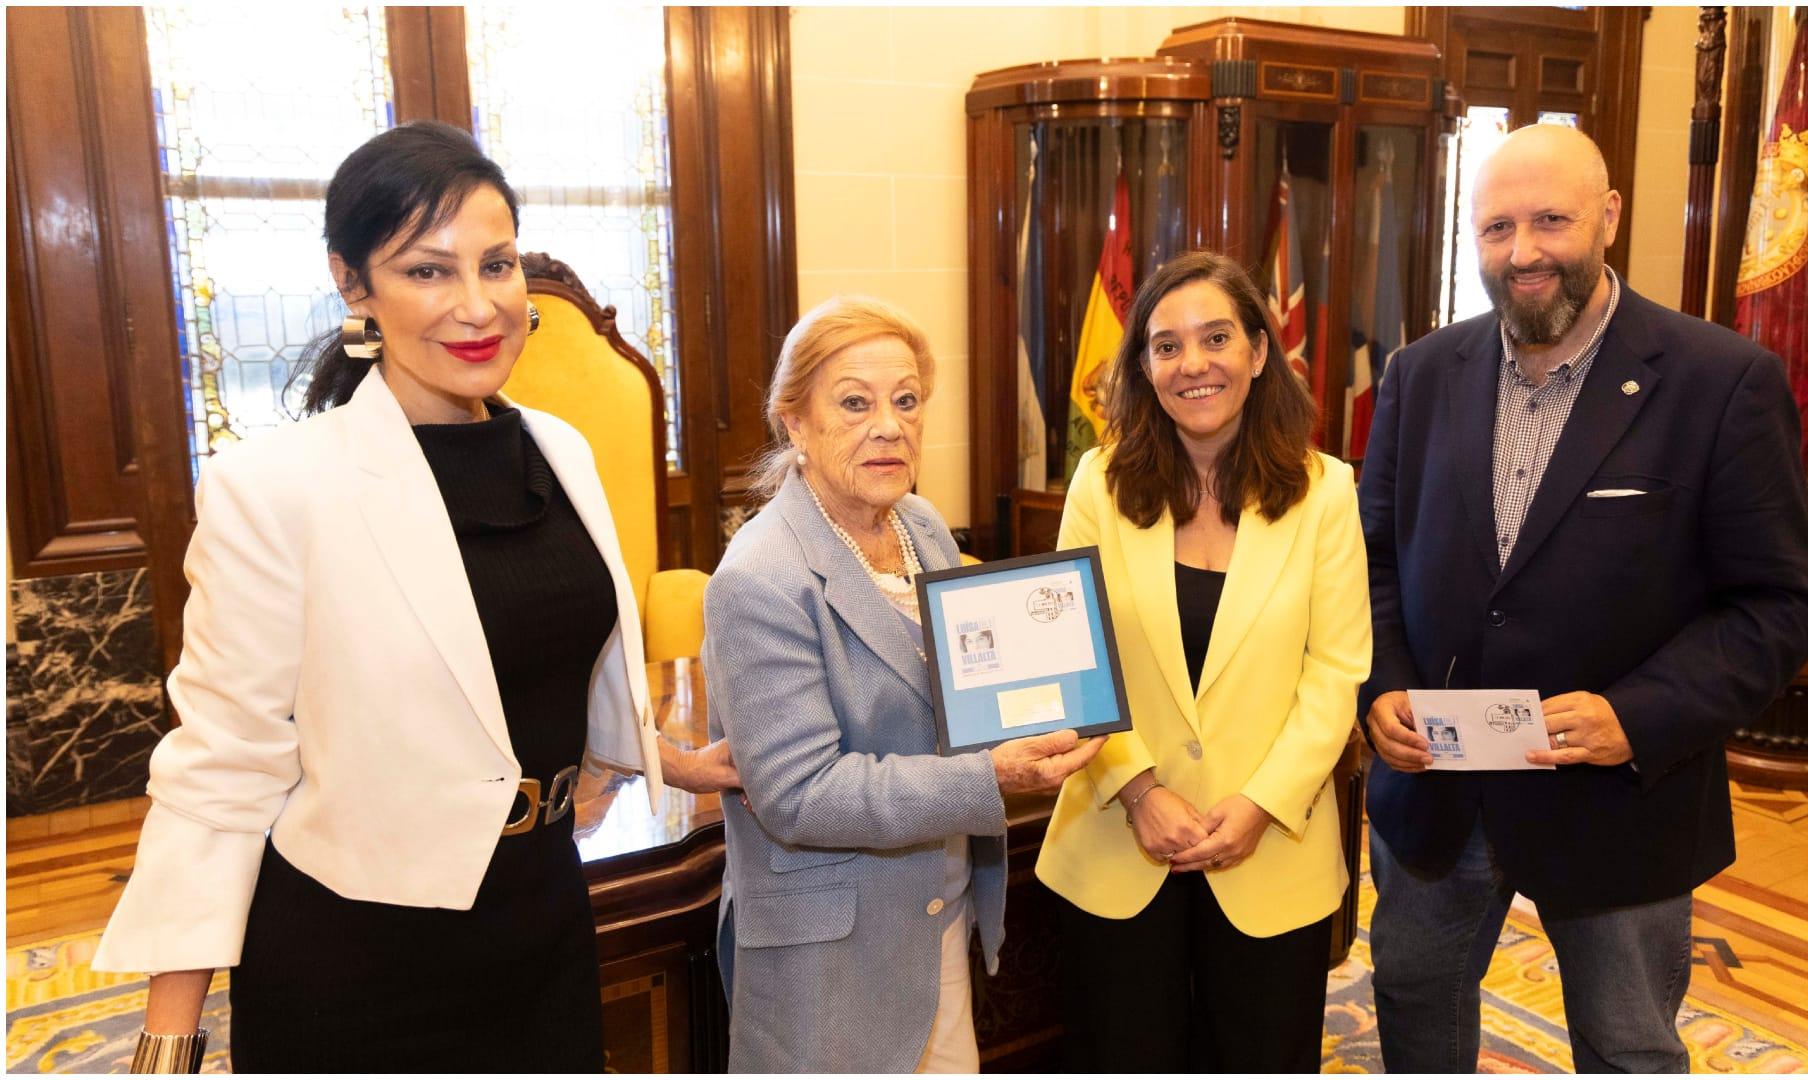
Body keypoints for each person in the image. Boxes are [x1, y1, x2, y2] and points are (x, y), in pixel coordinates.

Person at [91, 121, 737, 1073]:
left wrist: (666, 760)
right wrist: (167, 1039)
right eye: (427, 272)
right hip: (362, 953)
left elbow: (534, 664)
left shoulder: (561, 451)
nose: (478, 307)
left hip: (544, 917)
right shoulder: (278, 487)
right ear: (354, 284)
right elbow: (221, 764)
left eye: (499, 263)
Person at [1360, 123, 1808, 1072]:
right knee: (1412, 1006)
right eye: (1497, 229)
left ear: (1608, 217)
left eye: (1550, 221)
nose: (1523, 252)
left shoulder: (1721, 383)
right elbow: (1368, 563)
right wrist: (1382, 687)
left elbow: (1780, 604)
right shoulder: (1419, 375)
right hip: (1437, 789)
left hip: (1618, 799)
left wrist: (1636, 717)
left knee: (1626, 1046)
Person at [703, 296, 1106, 1072]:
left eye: (907, 400)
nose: (888, 424)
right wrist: (992, 776)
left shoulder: (918, 524)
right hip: (833, 950)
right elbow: (799, 795)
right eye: (854, 402)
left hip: (937, 914)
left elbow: (966, 685)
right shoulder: (759, 577)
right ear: (794, 422)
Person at [1036, 251, 1373, 1071]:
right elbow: (1068, 657)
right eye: (1166, 345)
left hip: (1272, 853)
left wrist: (1261, 803)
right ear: (1143, 367)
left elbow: (1335, 674)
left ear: (1261, 352)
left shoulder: (1327, 492)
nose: (1193, 363)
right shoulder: (1098, 483)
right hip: (1117, 843)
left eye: (1216, 337)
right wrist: (1140, 790)